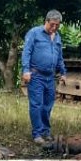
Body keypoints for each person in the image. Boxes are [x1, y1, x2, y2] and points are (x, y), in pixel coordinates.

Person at [20, 10, 67, 144]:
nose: (54, 28)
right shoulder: (34, 33)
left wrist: (63, 72)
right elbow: (26, 52)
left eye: (57, 26)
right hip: (36, 76)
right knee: (36, 105)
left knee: (47, 105)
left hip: (50, 77)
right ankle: (37, 134)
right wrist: (26, 70)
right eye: (52, 25)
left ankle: (46, 131)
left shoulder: (57, 37)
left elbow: (59, 57)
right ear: (46, 21)